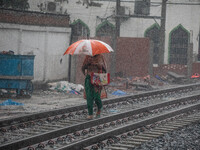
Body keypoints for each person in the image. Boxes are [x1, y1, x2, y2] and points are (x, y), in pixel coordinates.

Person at [82, 54, 107, 119]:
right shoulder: (87, 57)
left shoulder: (100, 57)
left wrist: (97, 64)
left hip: (97, 78)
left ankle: (99, 108)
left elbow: (104, 69)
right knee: (89, 97)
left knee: (96, 96)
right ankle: (90, 114)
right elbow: (83, 68)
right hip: (88, 78)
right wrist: (87, 64)